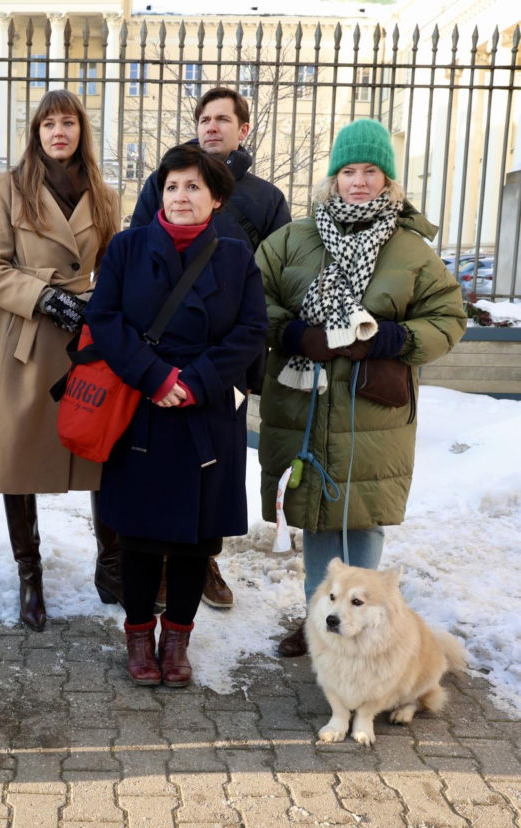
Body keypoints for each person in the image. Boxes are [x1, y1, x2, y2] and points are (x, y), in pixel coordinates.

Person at [255, 118, 466, 657]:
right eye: (348, 170)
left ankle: (365, 627)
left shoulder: (412, 251)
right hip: (308, 398)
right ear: (333, 178)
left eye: (371, 170)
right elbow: (253, 300)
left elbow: (447, 318)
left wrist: (395, 337)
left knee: (364, 516)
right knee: (321, 518)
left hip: (373, 408)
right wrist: (295, 332)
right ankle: (319, 625)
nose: (359, 181)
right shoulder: (291, 240)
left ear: (388, 181)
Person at [84, 144, 268, 686]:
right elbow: (105, 318)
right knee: (138, 539)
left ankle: (178, 641)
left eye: (193, 187)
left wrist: (197, 383)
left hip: (207, 416)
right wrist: (156, 376)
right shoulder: (126, 248)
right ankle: (139, 636)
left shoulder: (236, 257)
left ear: (215, 198)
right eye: (171, 186)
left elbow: (252, 331)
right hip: (142, 409)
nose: (181, 196)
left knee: (195, 542)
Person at [130, 86, 292, 611]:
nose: (212, 126)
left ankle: (204, 561)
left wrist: (240, 360)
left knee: (213, 465)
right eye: (204, 118)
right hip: (159, 358)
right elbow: (137, 259)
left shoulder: (265, 199)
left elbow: (276, 279)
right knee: (157, 464)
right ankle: (154, 564)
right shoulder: (166, 182)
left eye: (223, 119)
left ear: (243, 130)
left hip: (226, 360)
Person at [0, 89, 120, 630]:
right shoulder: (8, 188)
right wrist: (46, 297)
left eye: (69, 123)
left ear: (82, 130)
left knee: (102, 453)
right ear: (35, 133)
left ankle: (111, 565)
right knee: (20, 458)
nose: (59, 132)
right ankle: (29, 573)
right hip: (27, 339)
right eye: (48, 124)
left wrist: (95, 311)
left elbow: (115, 271)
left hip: (86, 341)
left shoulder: (106, 195)